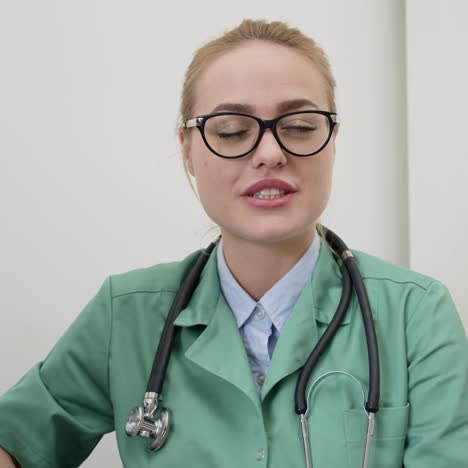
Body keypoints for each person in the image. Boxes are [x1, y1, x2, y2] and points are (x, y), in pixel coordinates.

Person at [0, 18, 467, 468]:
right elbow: (17, 441)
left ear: (332, 140)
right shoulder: (126, 315)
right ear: (188, 148)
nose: (270, 153)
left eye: (300, 126)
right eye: (231, 131)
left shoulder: (415, 315)